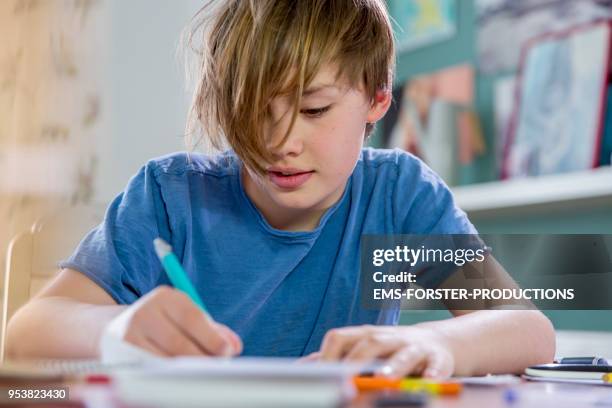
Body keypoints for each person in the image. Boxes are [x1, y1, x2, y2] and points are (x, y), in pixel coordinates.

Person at [6, 0, 554, 378]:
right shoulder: (169, 198)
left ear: (376, 102)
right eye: (251, 110)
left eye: (314, 109)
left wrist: (435, 343)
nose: (279, 142)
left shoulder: (400, 196)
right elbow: (26, 334)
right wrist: (117, 326)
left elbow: (528, 330)